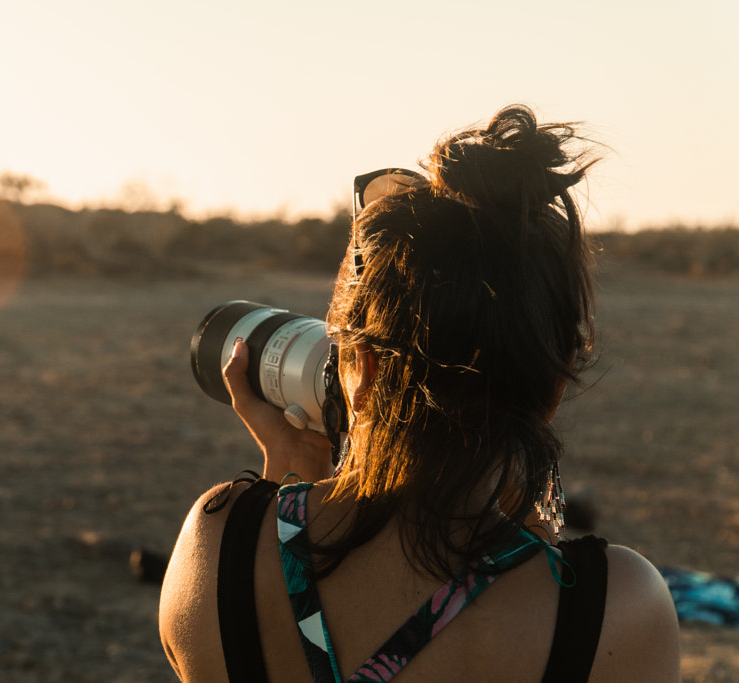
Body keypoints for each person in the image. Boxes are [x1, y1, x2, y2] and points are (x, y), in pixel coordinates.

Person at [160, 105, 681, 682]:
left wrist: (290, 483)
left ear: (362, 367)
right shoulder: (615, 610)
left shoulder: (219, 547)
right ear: (555, 383)